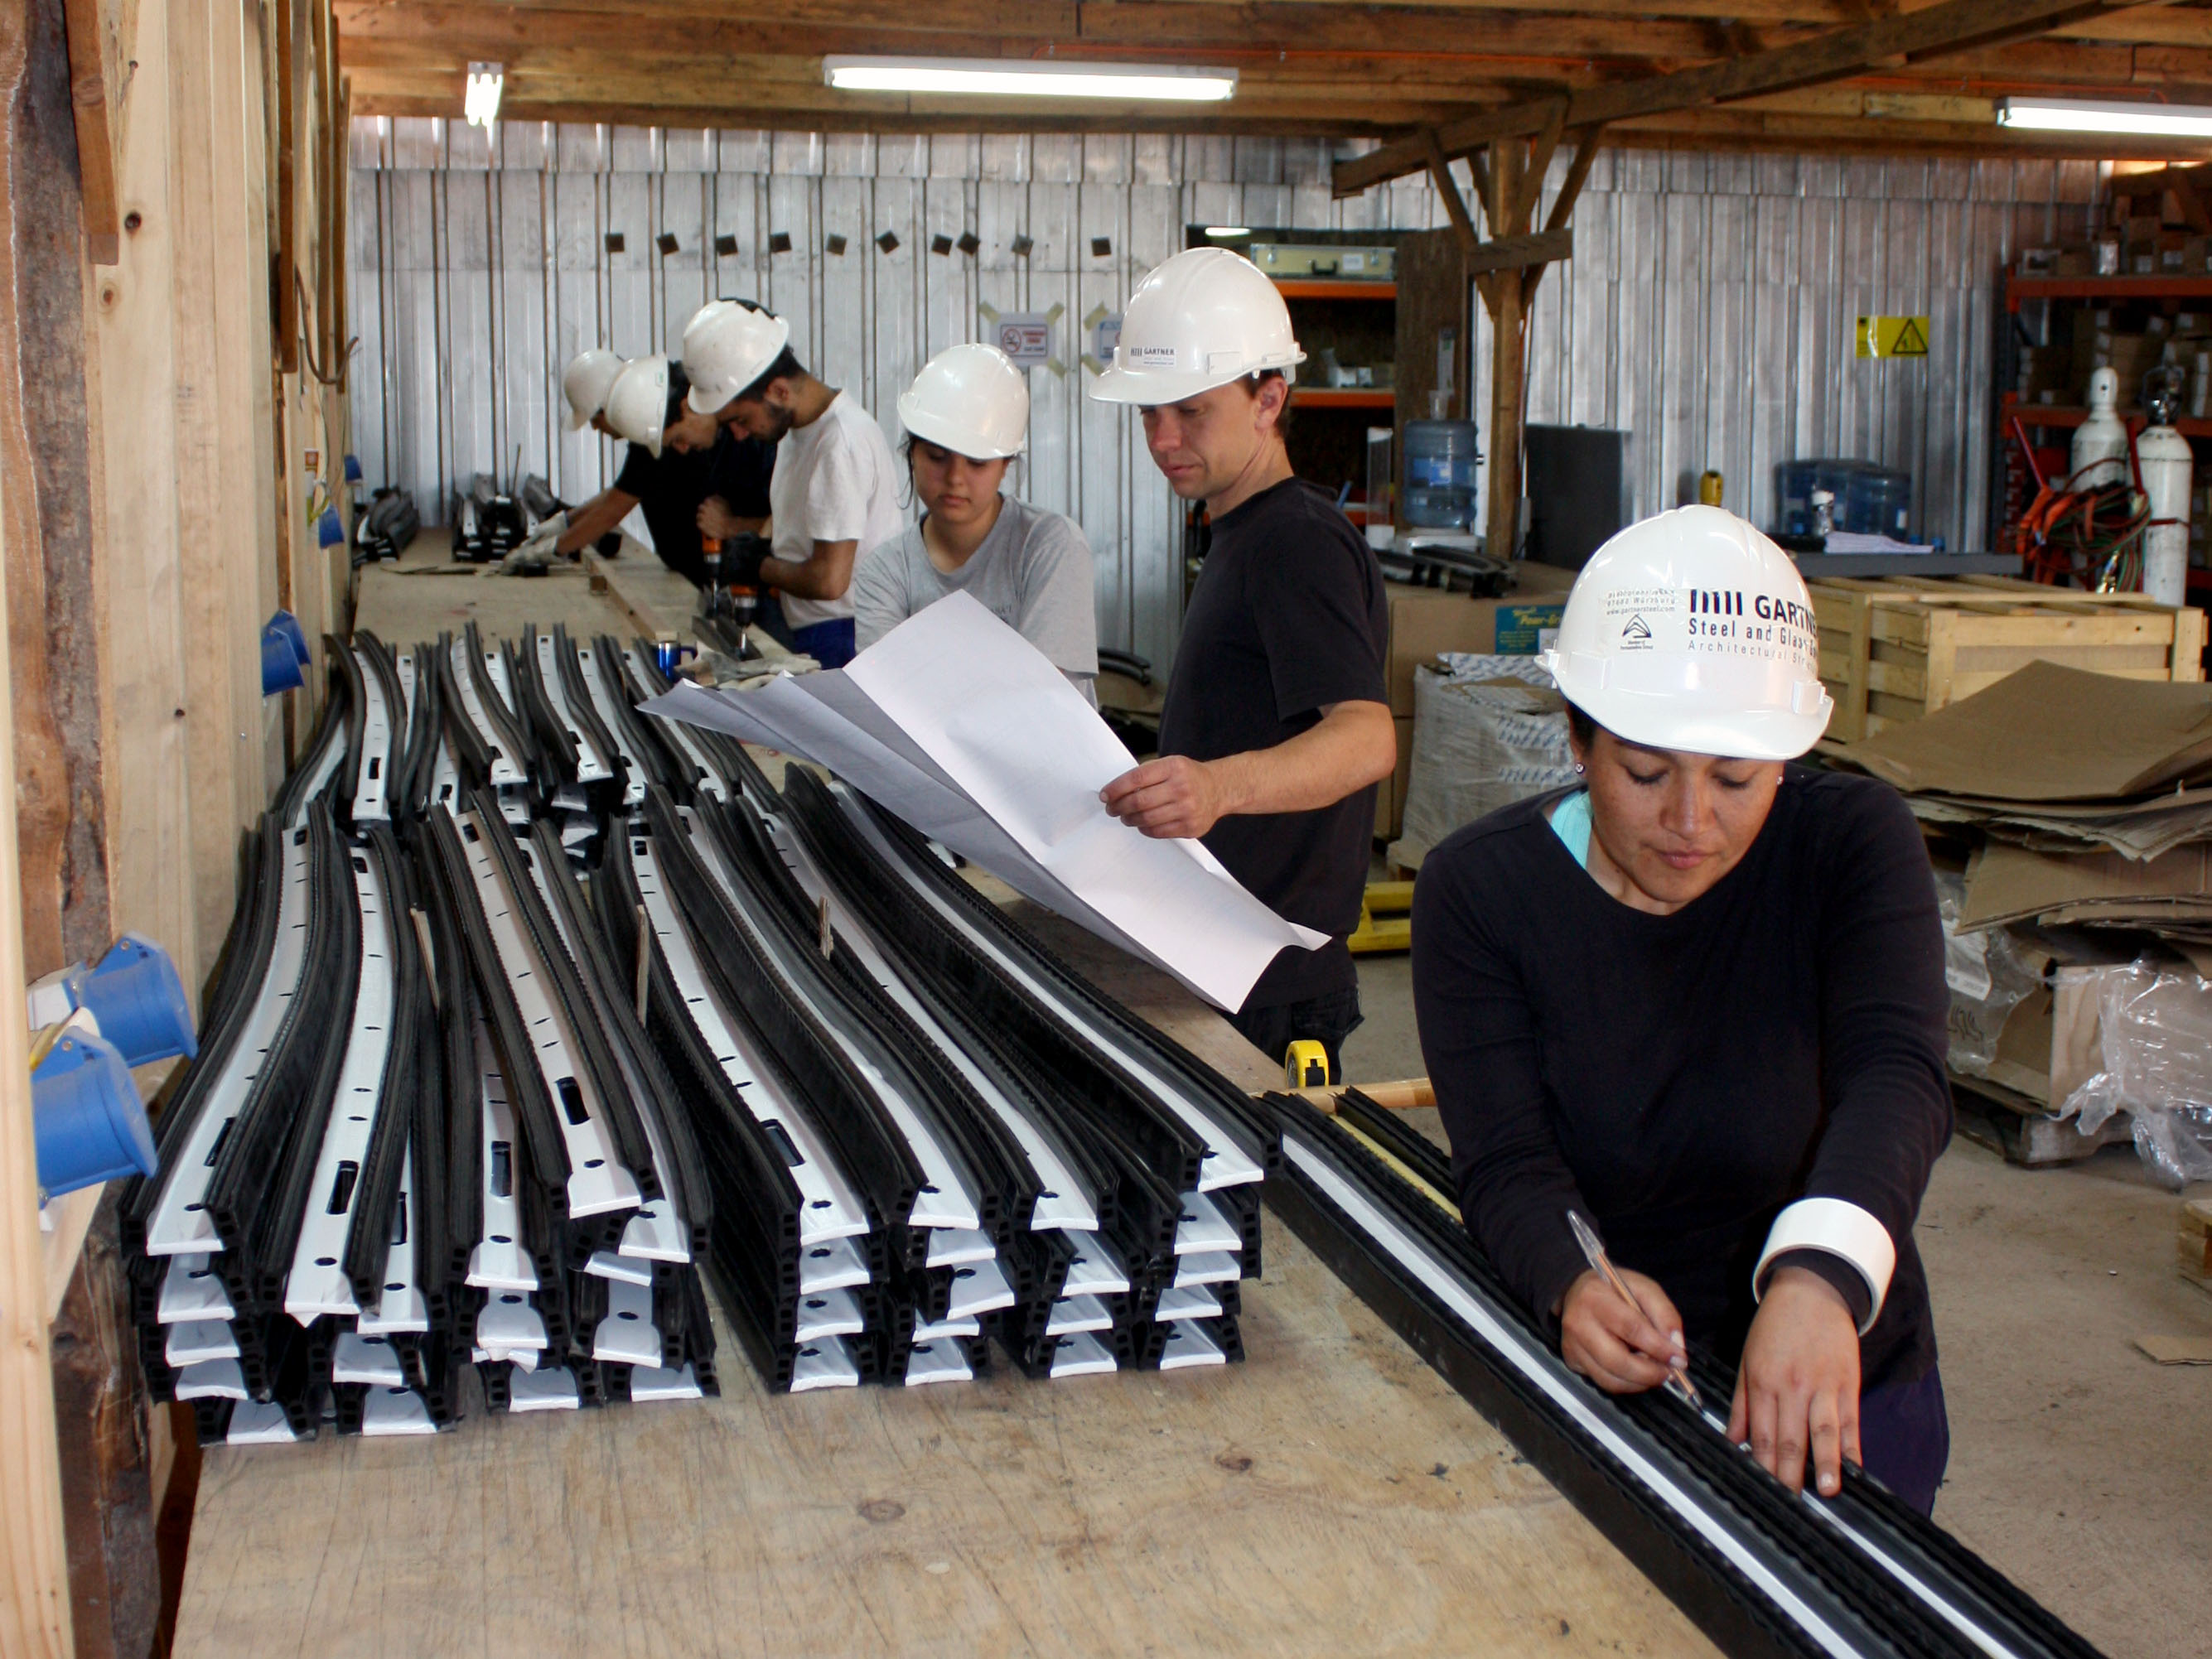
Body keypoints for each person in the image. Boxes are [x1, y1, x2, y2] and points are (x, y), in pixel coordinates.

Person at [1409, 504, 1953, 1514]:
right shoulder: (1481, 894)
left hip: (1843, 1364)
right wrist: (1572, 1282)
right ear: (1576, 735)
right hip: (1626, 1384)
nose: (1691, 822)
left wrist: (1820, 1274)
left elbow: (1899, 1072)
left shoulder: (1849, 845)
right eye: (1648, 772)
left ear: (1787, 757)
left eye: (1737, 778)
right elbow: (1509, 1157)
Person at [1089, 248, 1394, 1079]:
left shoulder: (1296, 541)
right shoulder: (1242, 530)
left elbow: (1366, 738)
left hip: (1271, 986)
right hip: (1223, 960)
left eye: (1190, 411)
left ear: (1269, 400)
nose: (1162, 439)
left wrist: (1218, 788)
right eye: (1149, 413)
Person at [852, 343, 1098, 701]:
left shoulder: (1050, 546)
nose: (955, 478)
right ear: (912, 455)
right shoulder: (886, 571)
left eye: (977, 464)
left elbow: (1043, 700)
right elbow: (886, 699)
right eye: (937, 458)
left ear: (1005, 466)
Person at [682, 297, 901, 668]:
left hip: (848, 640)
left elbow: (830, 580)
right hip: (822, 631)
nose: (738, 435)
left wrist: (759, 565)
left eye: (740, 419)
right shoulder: (799, 436)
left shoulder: (839, 443)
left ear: (780, 391)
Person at [531, 350, 773, 589]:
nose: (595, 428)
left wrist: (555, 547)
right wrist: (564, 522)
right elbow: (626, 490)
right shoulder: (664, 422)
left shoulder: (664, 423)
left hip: (732, 581)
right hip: (698, 577)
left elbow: (614, 509)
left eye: (594, 419)